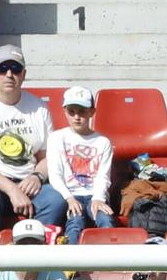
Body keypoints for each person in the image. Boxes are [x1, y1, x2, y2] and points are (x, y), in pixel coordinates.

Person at [0, 45, 61, 230]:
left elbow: (47, 157)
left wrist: (37, 177)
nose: (9, 74)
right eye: (2, 68)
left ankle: (35, 248)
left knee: (55, 199)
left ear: (24, 74)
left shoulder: (39, 108)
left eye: (15, 69)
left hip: (28, 181)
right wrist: (11, 189)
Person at [46, 86, 115, 244]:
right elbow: (55, 175)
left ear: (92, 112)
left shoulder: (103, 142)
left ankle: (110, 262)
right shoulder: (57, 138)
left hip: (94, 194)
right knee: (75, 223)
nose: (77, 117)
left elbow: (103, 176)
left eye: (82, 112)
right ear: (65, 111)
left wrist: (98, 198)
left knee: (105, 220)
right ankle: (71, 266)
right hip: (70, 195)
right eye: (72, 111)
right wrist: (69, 198)